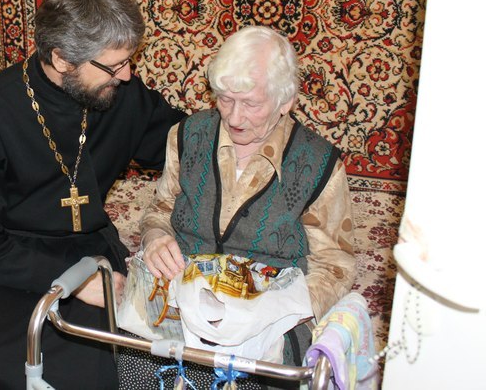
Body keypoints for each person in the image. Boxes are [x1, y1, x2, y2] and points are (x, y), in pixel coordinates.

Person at [0, 0, 184, 389]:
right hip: (3, 258)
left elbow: (187, 142)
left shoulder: (121, 94)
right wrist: (72, 281)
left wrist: (247, 116)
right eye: (114, 65)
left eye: (128, 61)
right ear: (61, 60)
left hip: (88, 251)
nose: (127, 75)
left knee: (96, 368)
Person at [122, 25, 356, 389]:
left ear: (285, 101)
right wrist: (155, 237)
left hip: (268, 317)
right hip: (183, 298)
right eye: (224, 99)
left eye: (250, 104)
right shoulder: (186, 136)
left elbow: (336, 265)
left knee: (247, 380)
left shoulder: (319, 164)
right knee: (135, 365)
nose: (233, 117)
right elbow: (161, 210)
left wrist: (280, 313)